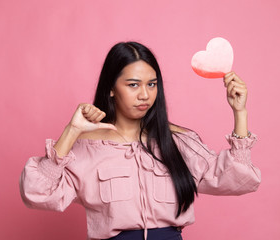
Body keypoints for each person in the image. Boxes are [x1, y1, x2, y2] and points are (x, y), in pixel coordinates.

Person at [19, 41, 261, 240]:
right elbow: (37, 193)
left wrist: (240, 113)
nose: (145, 95)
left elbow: (237, 180)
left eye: (151, 84)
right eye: (133, 85)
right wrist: (72, 130)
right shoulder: (88, 147)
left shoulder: (176, 140)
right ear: (112, 88)